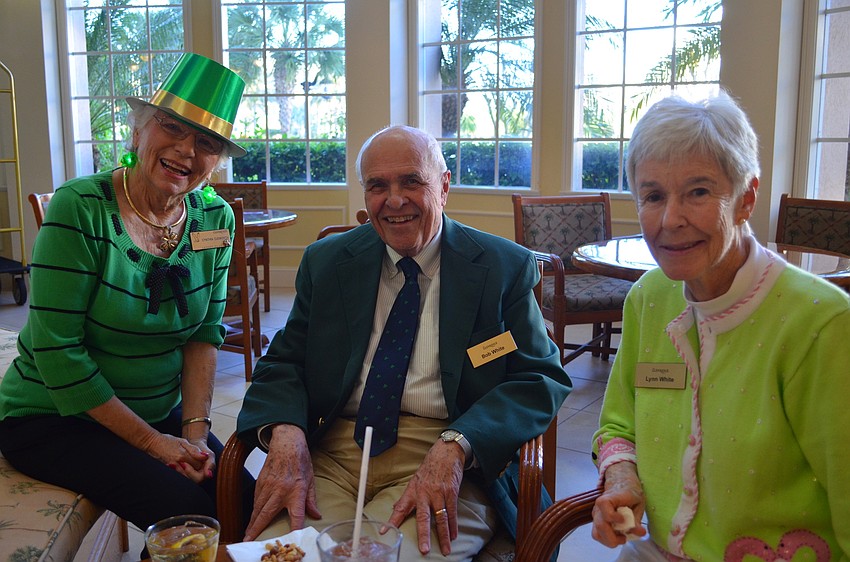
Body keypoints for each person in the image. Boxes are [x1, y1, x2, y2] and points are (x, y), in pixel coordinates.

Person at [237, 125, 571, 560]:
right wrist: (285, 431)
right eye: (378, 186)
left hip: (444, 450)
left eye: (412, 181)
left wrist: (457, 445)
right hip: (335, 452)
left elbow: (539, 376)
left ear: (444, 186)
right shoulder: (329, 262)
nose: (394, 200)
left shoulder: (500, 267)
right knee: (282, 555)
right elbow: (283, 360)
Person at [0, 53, 255, 537]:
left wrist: (194, 436)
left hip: (158, 408)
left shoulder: (215, 219)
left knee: (247, 501)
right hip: (54, 417)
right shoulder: (80, 209)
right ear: (137, 132)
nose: (185, 150)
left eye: (206, 142)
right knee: (189, 520)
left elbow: (203, 334)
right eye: (171, 127)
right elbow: (59, 352)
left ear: (217, 161)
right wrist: (156, 445)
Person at [591, 92, 850, 561]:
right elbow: (618, 421)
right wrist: (622, 475)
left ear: (746, 197)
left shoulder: (822, 325)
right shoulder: (648, 300)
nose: (671, 219)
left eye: (698, 191)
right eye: (652, 195)